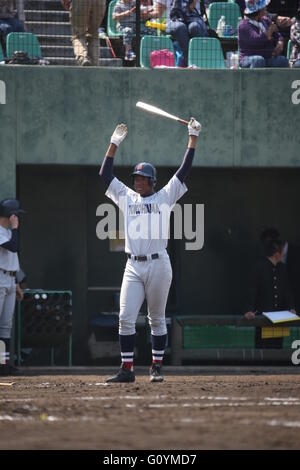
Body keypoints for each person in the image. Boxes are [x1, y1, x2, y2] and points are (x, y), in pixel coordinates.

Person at [99, 117, 201, 383]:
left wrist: (193, 139)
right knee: (125, 317)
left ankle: (156, 367)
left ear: (153, 181)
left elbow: (184, 171)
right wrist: (113, 144)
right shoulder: (127, 197)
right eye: (136, 177)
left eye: (143, 178)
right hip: (133, 265)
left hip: (158, 264)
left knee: (156, 318)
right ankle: (127, 370)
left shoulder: (164, 196)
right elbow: (105, 175)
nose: (137, 182)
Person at [244, 238, 296, 348]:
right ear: (277, 254)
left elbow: (287, 291)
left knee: (277, 346)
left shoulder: (282, 269)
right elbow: (252, 290)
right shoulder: (259, 267)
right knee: (263, 348)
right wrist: (249, 310)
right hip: (264, 317)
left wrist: (291, 307)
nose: (284, 256)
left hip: (280, 317)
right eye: (283, 253)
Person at [140, 0, 208, 67]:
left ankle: (200, 62)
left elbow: (191, 8)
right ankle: (187, 62)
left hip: (194, 19)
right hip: (173, 22)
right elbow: (158, 13)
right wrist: (147, 14)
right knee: (180, 27)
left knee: (195, 27)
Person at [0, 199, 24, 376]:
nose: (17, 218)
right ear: (9, 215)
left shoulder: (8, 232)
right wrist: (15, 228)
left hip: (9, 280)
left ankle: (3, 363)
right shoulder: (4, 232)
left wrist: (16, 284)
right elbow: (13, 248)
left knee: (6, 325)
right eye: (16, 215)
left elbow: (13, 258)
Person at [238, 0, 289, 68]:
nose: (266, 8)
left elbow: (277, 35)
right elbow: (257, 41)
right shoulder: (243, 25)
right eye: (264, 7)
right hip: (248, 57)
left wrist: (280, 43)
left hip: (267, 56)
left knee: (282, 60)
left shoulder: (265, 20)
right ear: (258, 10)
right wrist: (269, 31)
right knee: (258, 60)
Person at [61, 0, 106, 66]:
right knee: (94, 34)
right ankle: (94, 62)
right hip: (99, 2)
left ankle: (82, 58)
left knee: (78, 34)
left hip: (81, 2)